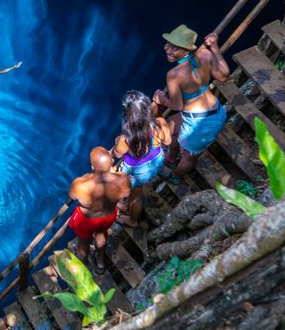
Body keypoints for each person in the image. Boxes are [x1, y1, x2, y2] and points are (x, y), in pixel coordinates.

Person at [154, 25, 230, 182]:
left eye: (175, 48)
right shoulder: (205, 54)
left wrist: (162, 100)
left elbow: (177, 106)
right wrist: (214, 48)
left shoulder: (174, 75)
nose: (168, 50)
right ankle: (170, 159)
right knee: (172, 125)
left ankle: (174, 176)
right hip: (216, 111)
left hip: (200, 123)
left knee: (189, 157)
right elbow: (223, 77)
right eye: (168, 44)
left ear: (186, 51)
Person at [111, 91, 170, 225]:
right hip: (157, 163)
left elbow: (118, 154)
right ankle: (127, 205)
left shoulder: (125, 139)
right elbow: (167, 142)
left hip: (138, 173)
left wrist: (116, 145)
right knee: (135, 189)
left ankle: (132, 220)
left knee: (136, 196)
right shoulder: (159, 123)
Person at [69, 147, 131, 269]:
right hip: (108, 216)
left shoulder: (81, 184)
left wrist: (87, 177)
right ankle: (100, 261)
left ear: (93, 167)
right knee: (101, 235)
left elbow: (72, 195)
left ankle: (85, 264)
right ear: (111, 164)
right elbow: (126, 194)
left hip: (86, 220)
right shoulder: (123, 179)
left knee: (83, 242)